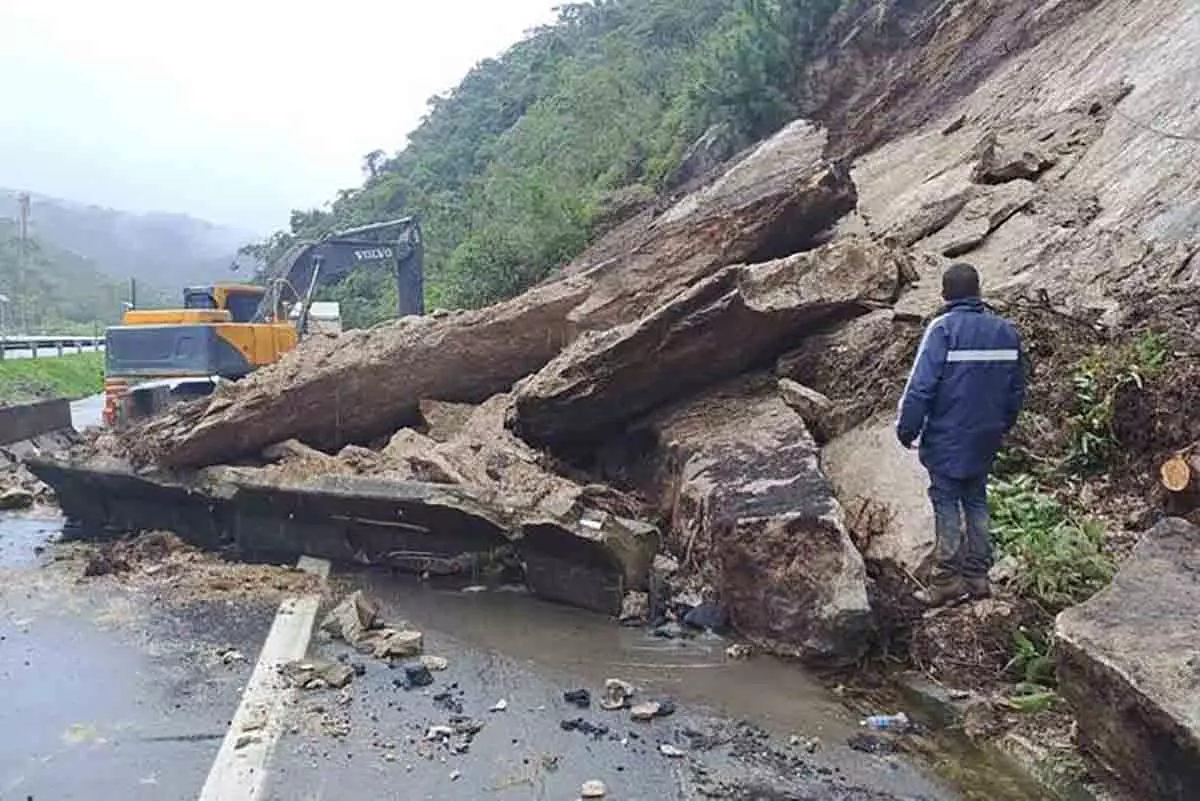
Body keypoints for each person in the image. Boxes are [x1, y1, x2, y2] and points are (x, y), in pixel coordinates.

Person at [896, 263, 1026, 606]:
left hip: (947, 436)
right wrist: (1002, 426)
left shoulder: (943, 330)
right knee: (977, 499)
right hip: (986, 435)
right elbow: (1016, 391)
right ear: (978, 292)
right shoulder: (1006, 331)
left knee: (946, 501)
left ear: (945, 294)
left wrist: (906, 429)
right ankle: (978, 576)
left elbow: (920, 388)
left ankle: (945, 580)